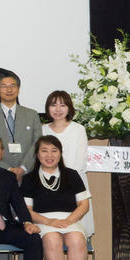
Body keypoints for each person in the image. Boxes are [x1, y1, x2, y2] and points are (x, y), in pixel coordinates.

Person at [22, 136, 91, 260]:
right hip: (43, 222)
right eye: (44, 151)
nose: (49, 155)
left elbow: (83, 205)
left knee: (77, 239)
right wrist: (49, 221)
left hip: (69, 219)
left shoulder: (72, 175)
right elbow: (27, 210)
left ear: (60, 153)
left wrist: (68, 221)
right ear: (37, 155)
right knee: (52, 239)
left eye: (54, 150)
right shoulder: (29, 178)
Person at [42, 90, 92, 237]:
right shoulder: (42, 129)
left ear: (69, 108)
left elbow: (80, 161)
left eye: (62, 105)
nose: (58, 109)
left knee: (75, 230)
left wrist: (63, 180)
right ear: (47, 108)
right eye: (53, 105)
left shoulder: (78, 129)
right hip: (47, 182)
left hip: (74, 183)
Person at [0, 73, 40, 180]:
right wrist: (8, 169)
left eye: (12, 86)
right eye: (4, 86)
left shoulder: (32, 114)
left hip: (28, 173)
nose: (9, 90)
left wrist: (23, 168)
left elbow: (37, 143)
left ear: (18, 89)